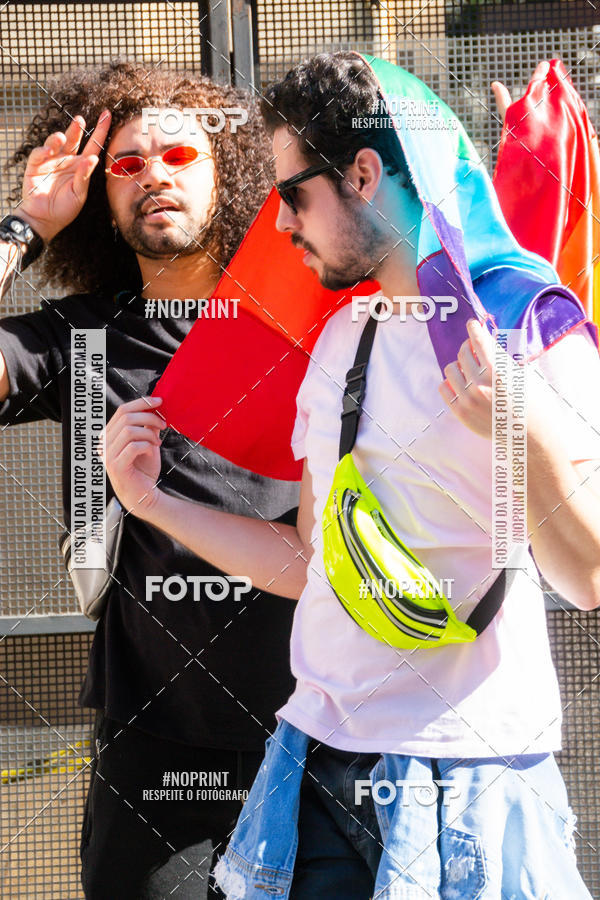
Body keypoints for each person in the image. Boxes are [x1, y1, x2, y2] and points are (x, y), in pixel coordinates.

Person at [103, 52, 600, 898]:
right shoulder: (343, 339)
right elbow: (314, 566)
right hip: (314, 762)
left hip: (469, 779)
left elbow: (587, 573)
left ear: (365, 174)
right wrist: (149, 501)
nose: (282, 223)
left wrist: (514, 422)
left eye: (294, 193)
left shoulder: (530, 322)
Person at [0, 61, 300, 899]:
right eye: (127, 165)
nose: (154, 175)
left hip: (326, 736)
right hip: (159, 762)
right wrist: (26, 224)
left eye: (179, 155)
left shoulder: (310, 324)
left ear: (231, 173)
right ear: (104, 196)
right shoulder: (82, 338)